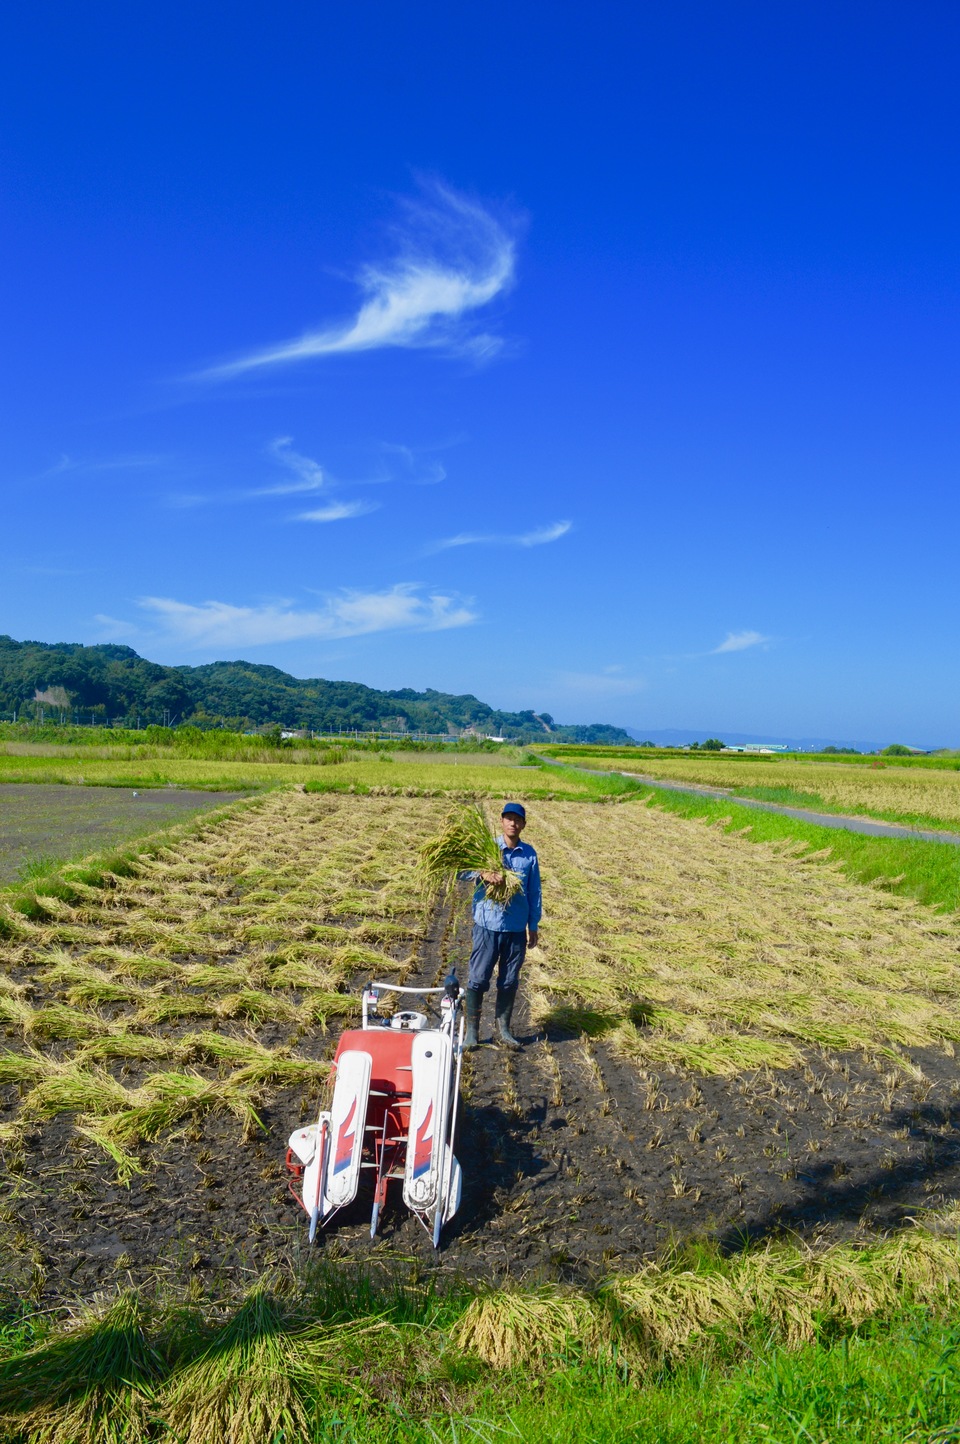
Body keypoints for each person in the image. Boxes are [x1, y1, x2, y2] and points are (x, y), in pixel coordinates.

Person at [462, 802, 541, 1052]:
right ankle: (472, 1033)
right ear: (502, 821)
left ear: (523, 825)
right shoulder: (488, 849)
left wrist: (533, 925)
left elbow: (534, 891)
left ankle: (504, 1031)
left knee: (508, 982)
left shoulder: (529, 855)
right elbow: (459, 871)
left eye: (517, 820)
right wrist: (482, 872)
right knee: (477, 979)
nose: (513, 823)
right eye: (509, 818)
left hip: (516, 929)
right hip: (487, 925)